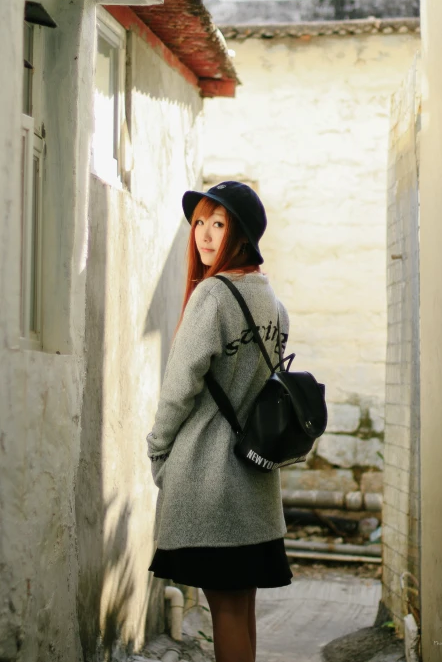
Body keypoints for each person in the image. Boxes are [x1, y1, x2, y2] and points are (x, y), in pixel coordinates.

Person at [147, 181, 293, 662]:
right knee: (241, 611)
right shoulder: (272, 302)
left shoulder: (212, 295)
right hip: (253, 481)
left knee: (226, 613)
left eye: (219, 223)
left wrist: (158, 450)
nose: (205, 236)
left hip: (210, 478)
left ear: (241, 232)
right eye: (200, 223)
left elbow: (178, 388)